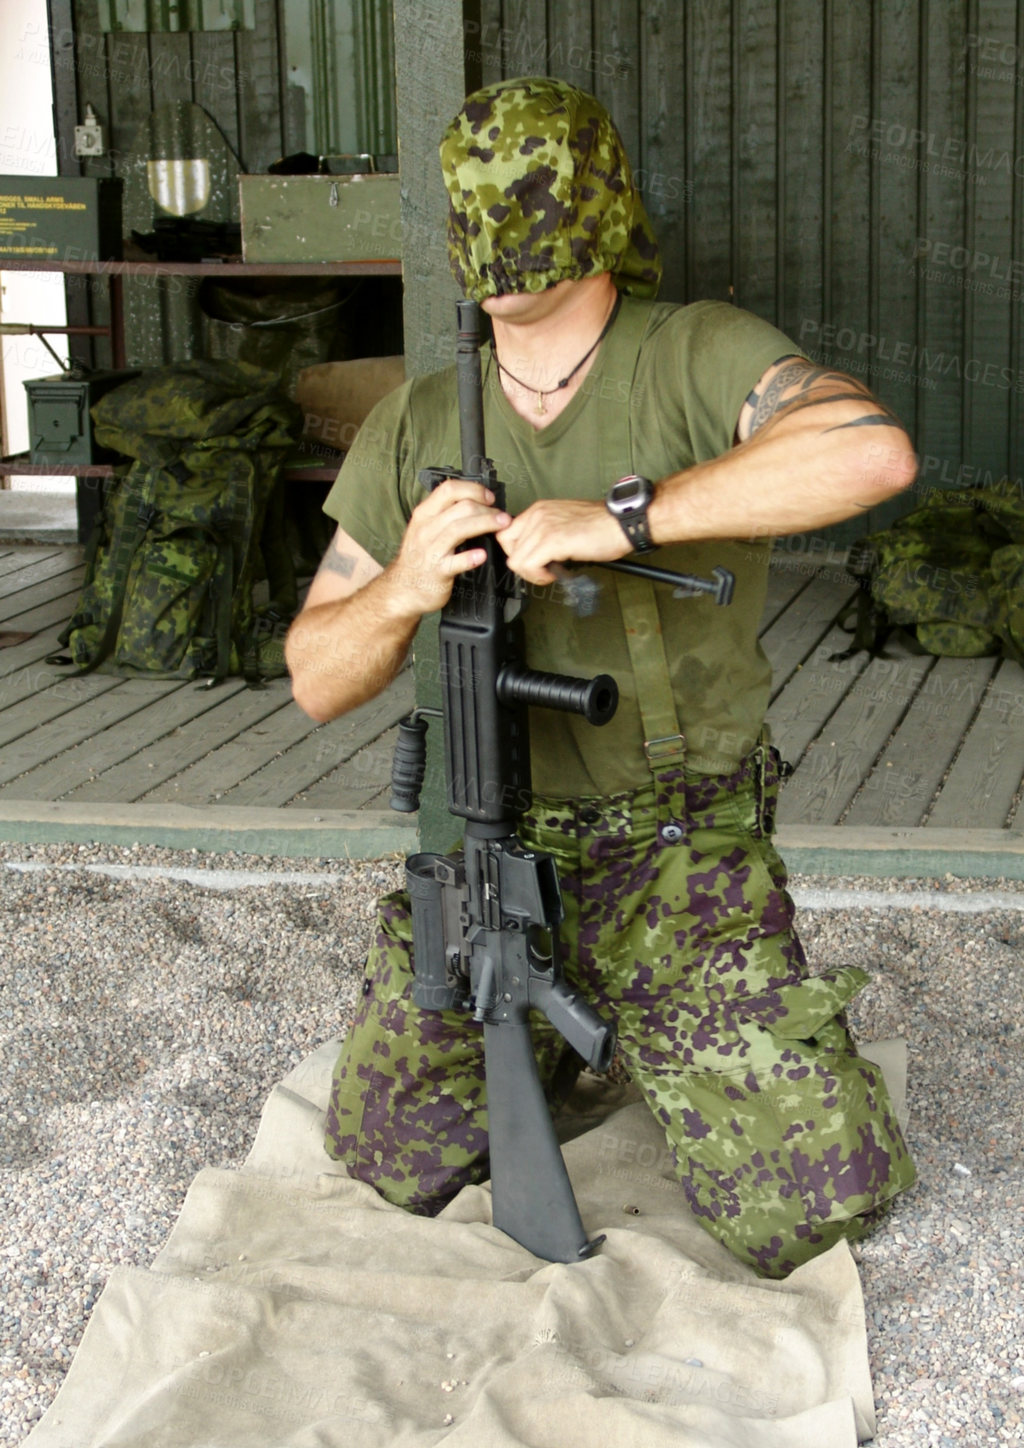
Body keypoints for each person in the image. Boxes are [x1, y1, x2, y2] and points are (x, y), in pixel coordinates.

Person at [285, 76, 918, 1278]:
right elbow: (316, 674)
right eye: (478, 194)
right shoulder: (416, 422)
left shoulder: (694, 354)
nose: (500, 226)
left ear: (596, 203)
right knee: (389, 1156)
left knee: (814, 1208)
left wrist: (628, 519)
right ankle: (576, 1044)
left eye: (526, 189)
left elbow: (868, 450)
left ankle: (648, 1024)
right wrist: (406, 584)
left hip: (674, 852)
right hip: (486, 855)